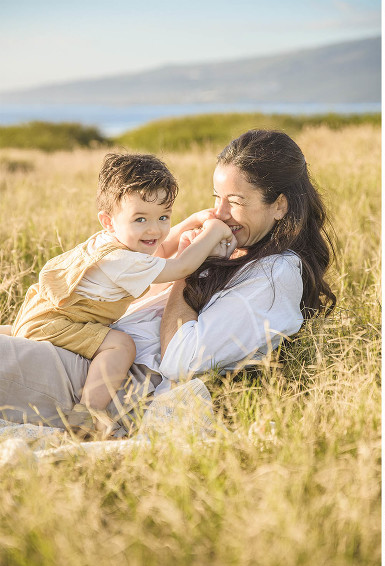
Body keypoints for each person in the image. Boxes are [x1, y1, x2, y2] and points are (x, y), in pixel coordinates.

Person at [0, 129, 336, 433]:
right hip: (86, 349)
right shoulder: (244, 250)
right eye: (216, 197)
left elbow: (183, 360)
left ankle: (86, 419)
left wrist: (188, 271)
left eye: (235, 201)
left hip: (111, 381)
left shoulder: (275, 274)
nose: (219, 213)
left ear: (279, 206)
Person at [9, 153, 234, 435]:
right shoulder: (123, 262)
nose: (154, 229)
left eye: (163, 217)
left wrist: (188, 223)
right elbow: (180, 266)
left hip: (43, 313)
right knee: (121, 346)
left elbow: (160, 250)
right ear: (108, 220)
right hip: (59, 323)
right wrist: (212, 232)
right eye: (140, 219)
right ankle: (88, 414)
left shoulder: (115, 242)